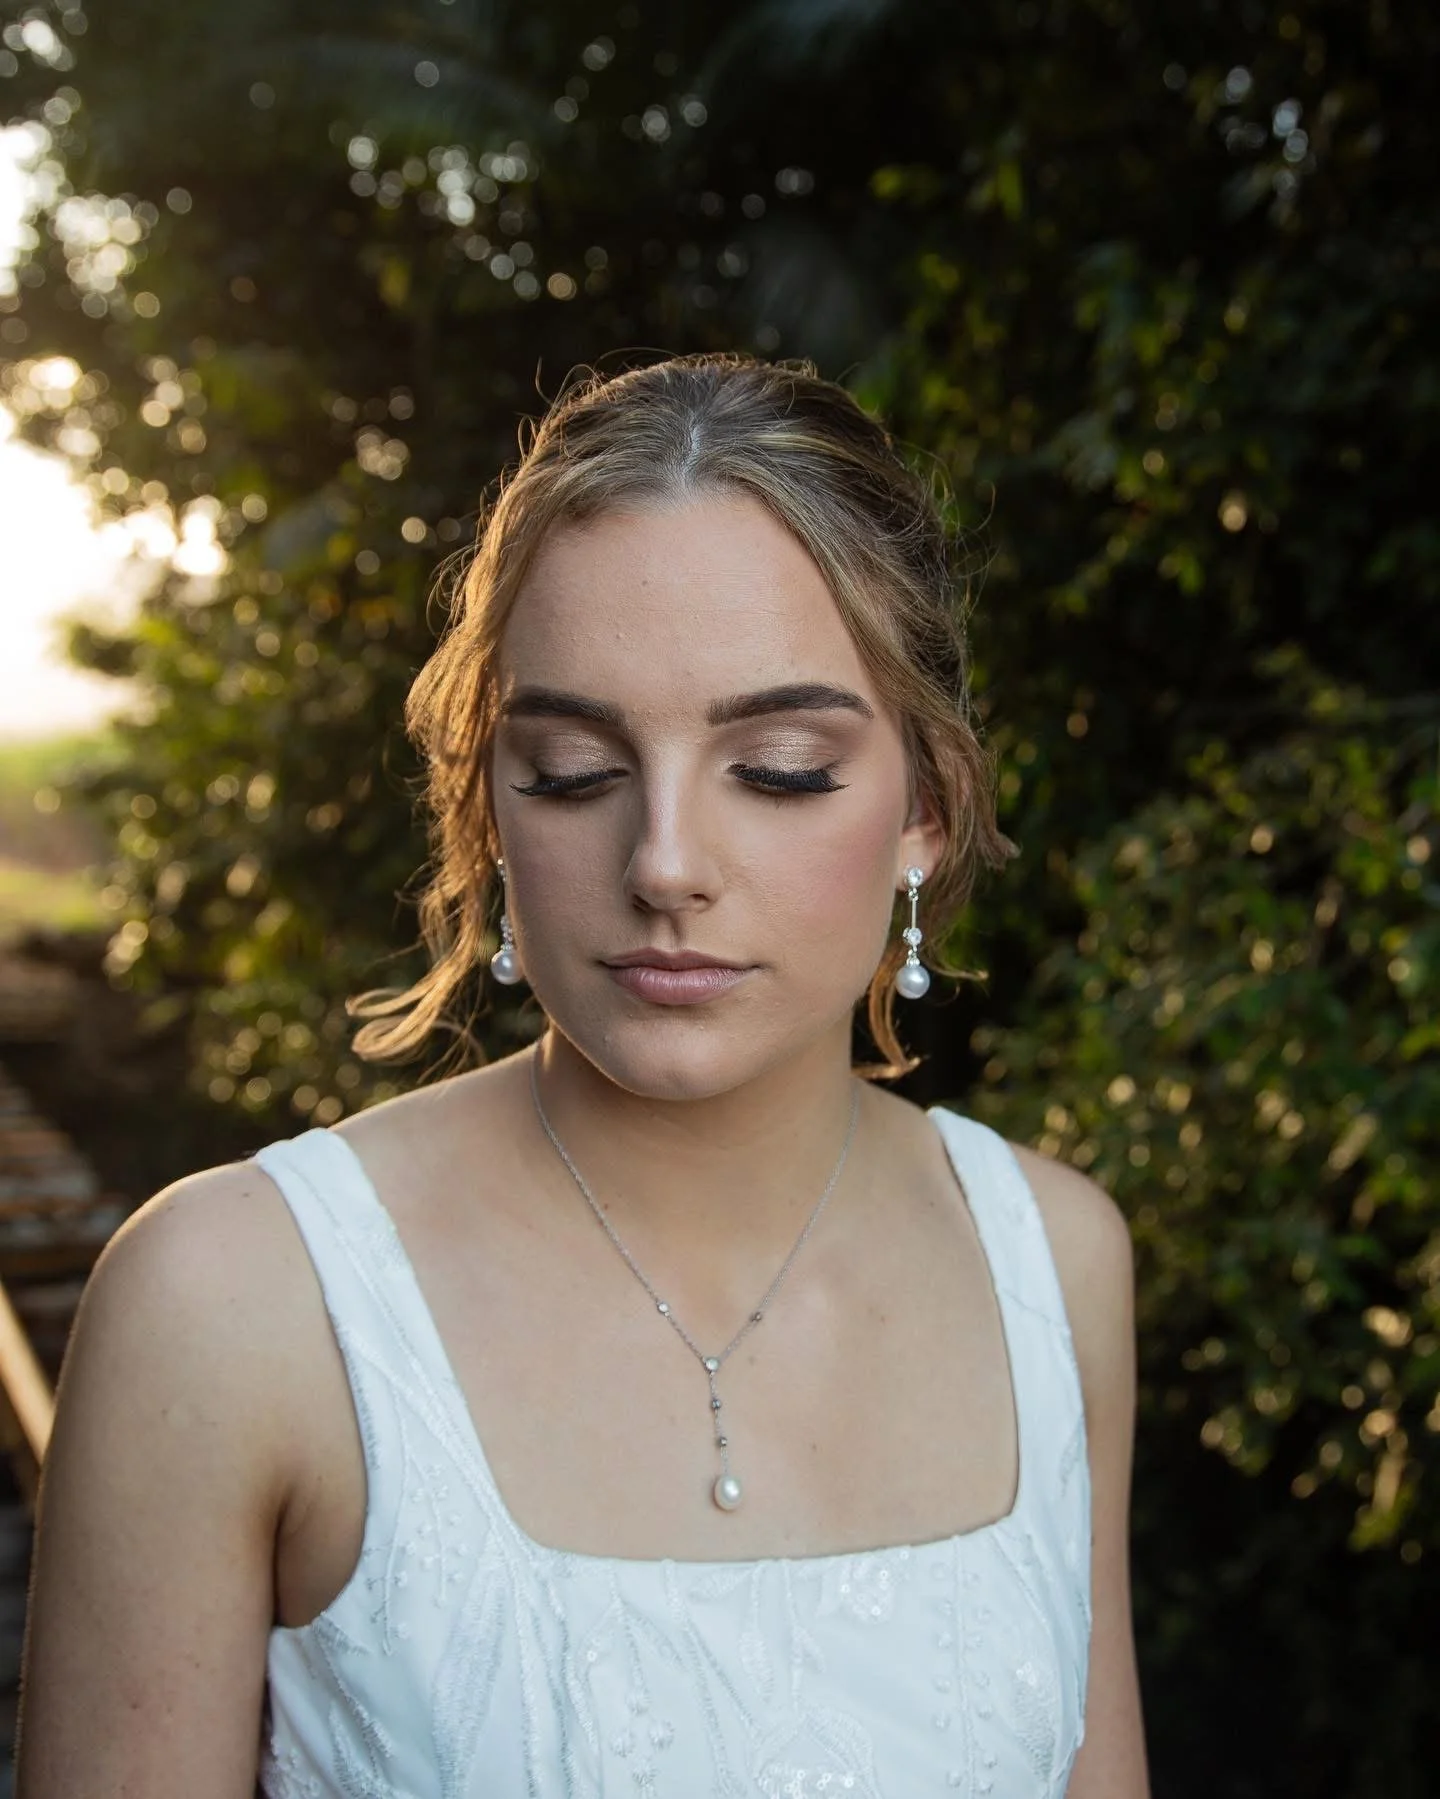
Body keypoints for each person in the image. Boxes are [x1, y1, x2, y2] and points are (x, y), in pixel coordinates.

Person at [16, 354, 1149, 1797]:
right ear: (488, 803)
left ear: (926, 808)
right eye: (569, 768)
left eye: (783, 766)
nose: (665, 862)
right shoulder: (233, 1300)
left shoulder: (1056, 1261)